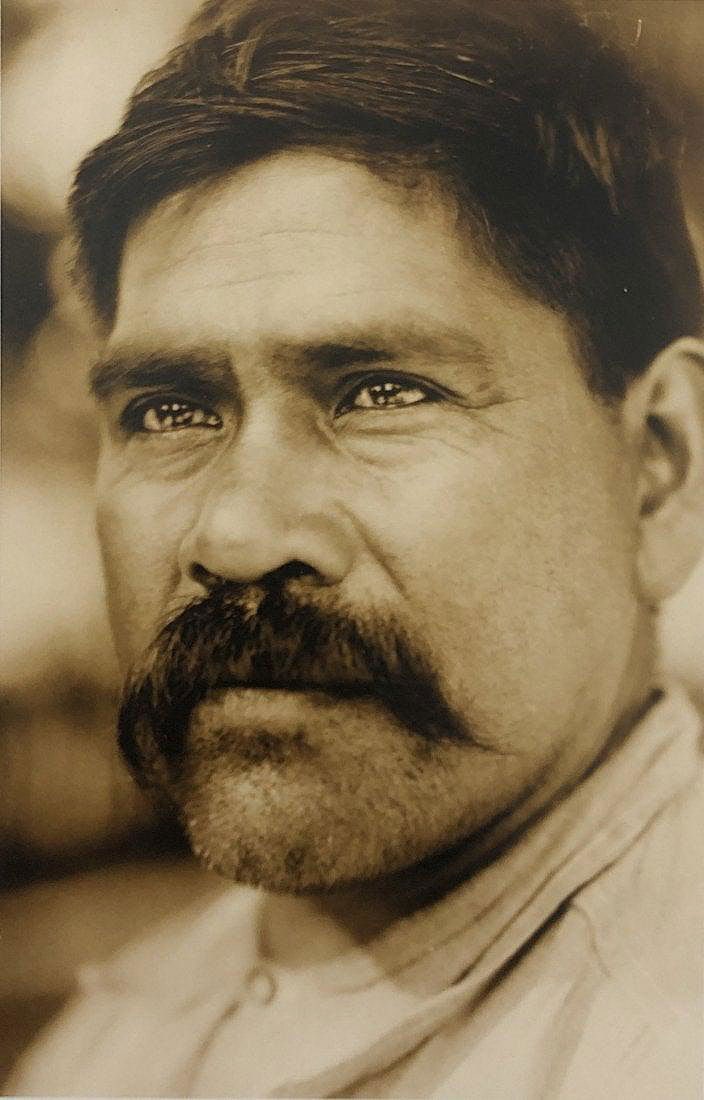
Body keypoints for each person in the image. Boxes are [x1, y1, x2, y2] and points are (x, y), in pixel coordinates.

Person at [8, 0, 703, 1095]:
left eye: (382, 393)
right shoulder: (109, 1042)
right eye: (169, 410)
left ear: (658, 467)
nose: (238, 534)